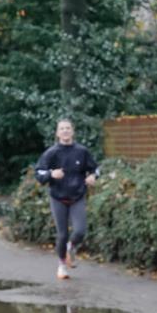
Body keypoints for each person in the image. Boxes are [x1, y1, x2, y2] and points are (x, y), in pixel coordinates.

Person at [34, 118, 99, 280]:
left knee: (80, 231)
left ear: (72, 131)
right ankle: (62, 266)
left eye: (68, 128)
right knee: (62, 235)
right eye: (62, 128)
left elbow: (95, 169)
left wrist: (92, 177)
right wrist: (51, 174)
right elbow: (39, 173)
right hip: (58, 198)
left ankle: (70, 248)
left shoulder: (82, 151)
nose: (65, 131)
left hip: (77, 196)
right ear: (57, 133)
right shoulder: (52, 153)